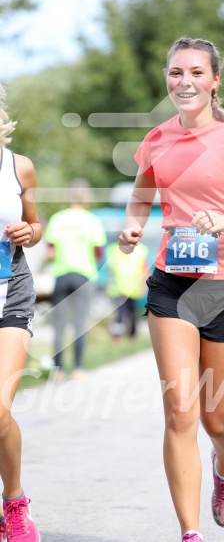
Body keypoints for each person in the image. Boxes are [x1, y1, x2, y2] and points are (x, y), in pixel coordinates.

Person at [118, 37, 224, 542]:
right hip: (172, 285)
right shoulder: (155, 139)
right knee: (180, 411)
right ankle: (190, 533)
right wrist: (133, 228)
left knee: (217, 419)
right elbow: (141, 197)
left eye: (196, 72)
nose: (184, 82)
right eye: (175, 73)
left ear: (215, 81)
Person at [0, 82, 42, 541]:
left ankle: (14, 500)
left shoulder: (18, 167)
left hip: (10, 290)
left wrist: (29, 232)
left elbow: (35, 222)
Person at [45, 179, 106, 380]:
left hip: (62, 275)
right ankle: (78, 369)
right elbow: (98, 253)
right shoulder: (93, 220)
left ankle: (59, 371)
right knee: (80, 324)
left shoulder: (57, 219)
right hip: (84, 276)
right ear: (87, 197)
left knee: (59, 326)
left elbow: (50, 252)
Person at [105, 240, 149, 340]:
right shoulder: (113, 249)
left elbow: (144, 268)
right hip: (119, 287)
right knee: (121, 313)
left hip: (131, 287)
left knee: (131, 312)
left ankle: (130, 335)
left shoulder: (141, 249)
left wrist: (144, 284)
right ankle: (119, 336)